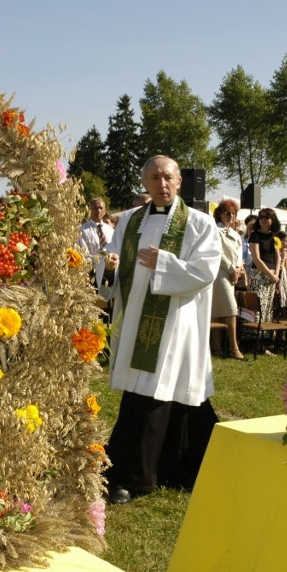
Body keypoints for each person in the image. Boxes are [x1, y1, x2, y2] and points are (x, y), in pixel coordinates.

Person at [103, 155, 220, 504]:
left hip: (177, 320)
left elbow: (205, 271)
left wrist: (164, 263)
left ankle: (136, 475)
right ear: (145, 183)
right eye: (154, 177)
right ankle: (171, 467)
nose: (161, 183)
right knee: (156, 389)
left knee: (160, 388)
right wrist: (109, 264)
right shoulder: (129, 221)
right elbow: (112, 259)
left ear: (179, 180)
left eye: (167, 176)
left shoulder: (199, 223)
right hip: (138, 315)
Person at [211, 200, 246, 360]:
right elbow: (218, 253)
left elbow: (239, 255)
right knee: (230, 310)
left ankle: (217, 347)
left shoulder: (235, 234)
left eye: (233, 213)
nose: (231, 216)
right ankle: (233, 347)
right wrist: (233, 269)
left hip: (232, 274)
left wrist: (238, 269)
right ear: (220, 213)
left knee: (219, 311)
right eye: (227, 213)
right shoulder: (215, 231)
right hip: (220, 274)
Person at [248, 208, 281, 324]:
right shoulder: (254, 235)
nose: (263, 220)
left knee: (268, 305)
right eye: (260, 217)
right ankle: (252, 336)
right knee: (257, 306)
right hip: (258, 273)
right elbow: (256, 259)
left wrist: (276, 274)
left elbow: (278, 257)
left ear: (272, 219)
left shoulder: (275, 236)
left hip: (272, 275)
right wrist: (270, 275)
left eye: (266, 217)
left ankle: (265, 336)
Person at [78, 197, 114, 301]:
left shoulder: (110, 230)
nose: (98, 211)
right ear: (90, 210)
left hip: (110, 274)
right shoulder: (83, 230)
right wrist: (103, 256)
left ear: (105, 210)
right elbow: (84, 255)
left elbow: (115, 249)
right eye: (94, 208)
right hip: (92, 275)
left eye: (100, 208)